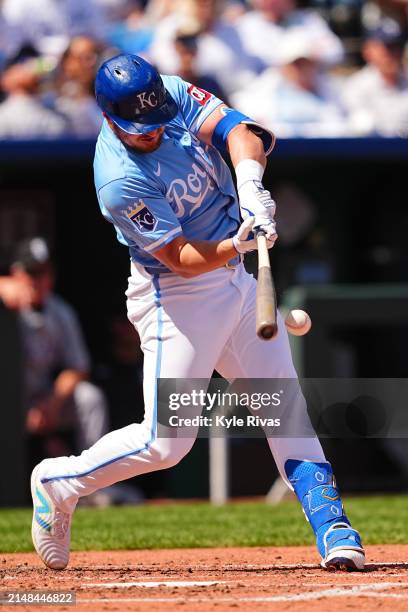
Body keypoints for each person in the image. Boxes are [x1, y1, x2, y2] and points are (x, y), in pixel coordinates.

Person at [30, 53, 365, 572]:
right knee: (166, 443)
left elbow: (240, 130)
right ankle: (60, 481)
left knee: (285, 407)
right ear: (110, 118)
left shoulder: (166, 93)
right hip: (176, 298)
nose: (154, 132)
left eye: (157, 120)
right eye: (140, 129)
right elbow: (181, 258)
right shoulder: (118, 180)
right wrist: (238, 243)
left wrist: (251, 184)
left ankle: (332, 525)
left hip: (234, 281)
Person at [0, 237, 109, 459]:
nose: (37, 281)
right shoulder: (6, 302)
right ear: (16, 274)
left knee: (89, 398)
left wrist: (51, 404)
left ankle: (95, 481)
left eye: (43, 273)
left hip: (43, 400)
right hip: (10, 399)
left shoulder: (60, 312)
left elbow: (79, 367)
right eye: (31, 273)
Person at [231, 32, 349, 137]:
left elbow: (343, 126)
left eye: (306, 63)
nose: (302, 69)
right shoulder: (262, 90)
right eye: (296, 64)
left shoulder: (330, 90)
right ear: (283, 66)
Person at [342, 18, 408, 136]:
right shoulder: (356, 86)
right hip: (371, 152)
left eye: (397, 47)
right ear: (368, 51)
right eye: (386, 48)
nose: (392, 54)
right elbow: (361, 128)